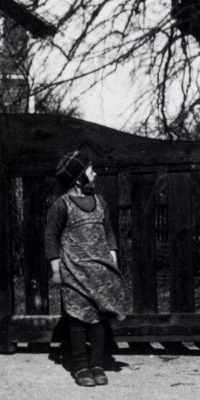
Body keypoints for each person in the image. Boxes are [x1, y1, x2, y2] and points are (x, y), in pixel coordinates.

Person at [44, 150, 128, 387]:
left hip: (99, 274)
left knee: (99, 318)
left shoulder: (100, 202)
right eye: (91, 171)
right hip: (73, 274)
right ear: (79, 178)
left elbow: (108, 232)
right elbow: (51, 238)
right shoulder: (62, 206)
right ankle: (81, 366)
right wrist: (56, 270)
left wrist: (112, 257)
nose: (96, 174)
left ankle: (97, 364)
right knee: (78, 320)